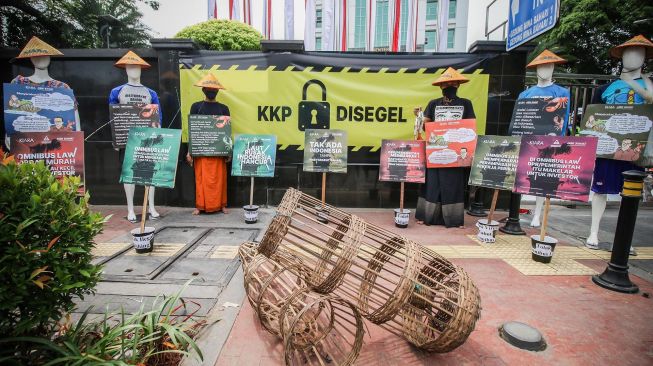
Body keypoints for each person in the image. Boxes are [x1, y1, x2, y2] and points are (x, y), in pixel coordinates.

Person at [414, 67, 476, 228]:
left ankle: (454, 219)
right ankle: (426, 216)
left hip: (456, 153)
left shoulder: (466, 104)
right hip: (435, 151)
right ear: (441, 87)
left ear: (458, 85)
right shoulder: (433, 104)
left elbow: (470, 127)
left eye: (453, 83)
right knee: (432, 185)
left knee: (453, 185)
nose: (450, 85)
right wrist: (419, 117)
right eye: (446, 83)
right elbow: (424, 126)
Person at [186, 73, 230, 215]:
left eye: (214, 89)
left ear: (217, 91)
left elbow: (227, 132)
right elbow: (192, 130)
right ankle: (200, 206)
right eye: (208, 88)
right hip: (201, 152)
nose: (211, 91)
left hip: (218, 152)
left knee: (219, 180)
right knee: (201, 179)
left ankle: (222, 205)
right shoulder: (196, 107)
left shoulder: (224, 108)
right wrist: (189, 151)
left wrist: (229, 151)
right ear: (203, 90)